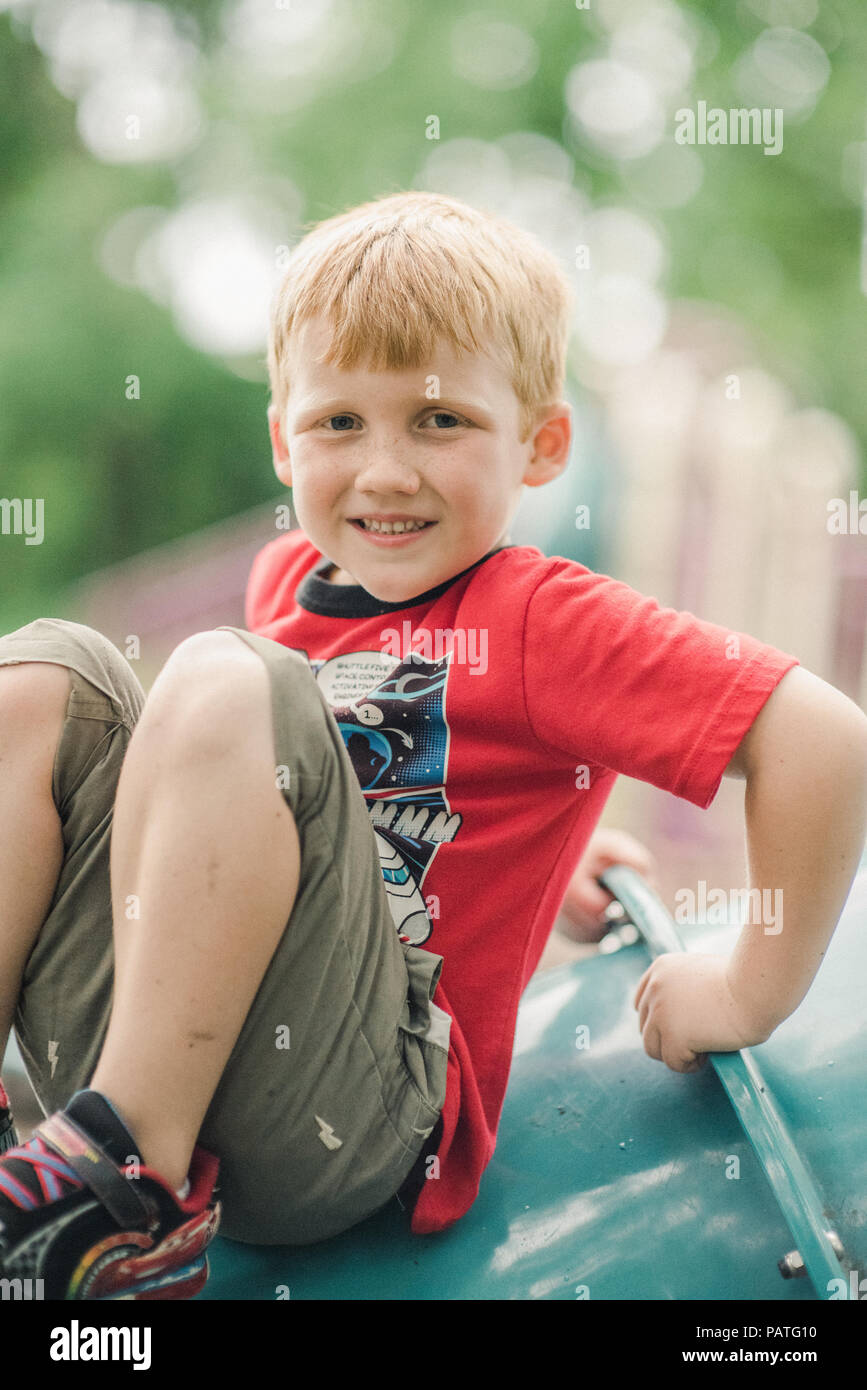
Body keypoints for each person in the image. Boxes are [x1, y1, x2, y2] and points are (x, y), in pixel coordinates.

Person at [0, 191, 865, 1301]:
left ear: (541, 443)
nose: (387, 471)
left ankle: (122, 1213)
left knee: (224, 677)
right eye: (340, 423)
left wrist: (748, 988)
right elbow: (306, 819)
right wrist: (534, 861)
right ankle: (76, 1166)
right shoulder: (283, 587)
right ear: (283, 439)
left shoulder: (540, 616)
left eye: (441, 420)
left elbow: (822, 740)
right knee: (41, 676)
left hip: (356, 1122)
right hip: (205, 1037)